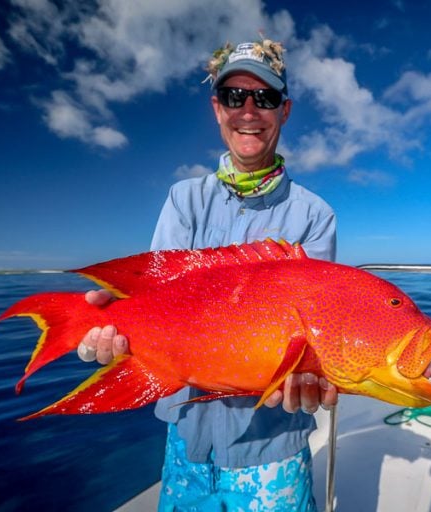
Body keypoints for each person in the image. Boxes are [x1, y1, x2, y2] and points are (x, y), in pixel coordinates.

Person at [76, 39, 338, 511]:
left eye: (266, 98)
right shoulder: (184, 200)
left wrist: (314, 372)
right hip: (186, 444)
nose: (250, 111)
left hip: (272, 447)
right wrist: (117, 328)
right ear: (218, 109)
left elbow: (312, 328)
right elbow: (157, 293)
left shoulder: (315, 215)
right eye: (236, 97)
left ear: (285, 110)